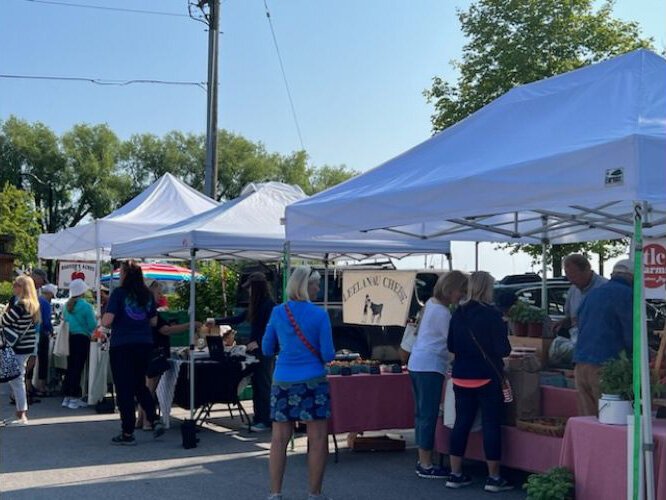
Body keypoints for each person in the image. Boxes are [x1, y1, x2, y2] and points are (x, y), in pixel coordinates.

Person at [262, 266, 335, 500]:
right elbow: (328, 354)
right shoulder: (320, 315)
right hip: (313, 381)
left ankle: (275, 493)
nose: (318, 288)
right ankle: (314, 493)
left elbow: (266, 348)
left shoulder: (277, 313)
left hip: (282, 380)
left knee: (279, 439)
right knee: (317, 439)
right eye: (315, 284)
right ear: (306, 286)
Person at [446, 271, 513, 493]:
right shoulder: (492, 315)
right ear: (488, 288)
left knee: (461, 423)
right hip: (486, 376)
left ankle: (455, 473)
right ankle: (494, 477)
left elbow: (451, 345)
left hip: (462, 375)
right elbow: (504, 349)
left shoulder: (458, 313)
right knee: (491, 424)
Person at [407, 271, 468, 479]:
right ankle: (425, 463)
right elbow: (453, 342)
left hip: (417, 362)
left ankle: (422, 458)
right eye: (461, 291)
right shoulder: (443, 313)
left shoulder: (431, 305)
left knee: (421, 413)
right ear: (452, 289)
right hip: (430, 365)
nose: (462, 295)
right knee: (428, 414)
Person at [100, 260, 164, 445]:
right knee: (139, 384)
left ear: (125, 275)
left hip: (122, 344)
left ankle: (127, 432)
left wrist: (103, 318)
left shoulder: (118, 294)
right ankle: (154, 418)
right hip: (144, 343)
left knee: (124, 389)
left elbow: (107, 320)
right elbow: (153, 322)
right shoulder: (147, 295)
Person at [208, 271, 276, 432]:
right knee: (257, 384)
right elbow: (238, 319)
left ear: (257, 288)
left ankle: (266, 420)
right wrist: (216, 321)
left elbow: (272, 329)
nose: (248, 291)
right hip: (256, 350)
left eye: (250, 288)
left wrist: (258, 343)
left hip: (265, 351)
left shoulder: (269, 305)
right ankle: (259, 417)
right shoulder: (258, 304)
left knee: (263, 384)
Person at [574, 259, 633, 416]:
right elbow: (632, 333)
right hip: (606, 366)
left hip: (581, 364)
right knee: (608, 420)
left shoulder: (594, 293)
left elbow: (578, 321)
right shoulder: (627, 295)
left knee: (588, 421)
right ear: (632, 276)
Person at [135, 315, 201, 431]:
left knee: (146, 388)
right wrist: (190, 325)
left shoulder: (141, 313)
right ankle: (147, 420)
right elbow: (166, 330)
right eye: (157, 295)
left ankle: (140, 419)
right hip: (156, 353)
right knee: (150, 388)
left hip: (147, 351)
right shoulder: (153, 314)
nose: (159, 295)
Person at [1, 275, 40, 425]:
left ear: (23, 287)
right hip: (26, 345)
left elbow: (4, 320)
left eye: (16, 284)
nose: (13, 286)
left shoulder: (21, 305)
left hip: (17, 345)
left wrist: (5, 311)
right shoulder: (33, 305)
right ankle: (20, 412)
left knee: (17, 380)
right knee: (17, 378)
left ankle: (21, 414)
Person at [61, 279, 97, 410]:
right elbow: (93, 325)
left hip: (69, 338)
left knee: (70, 367)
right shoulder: (86, 306)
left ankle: (67, 396)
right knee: (78, 368)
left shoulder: (66, 305)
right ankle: (74, 398)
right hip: (82, 339)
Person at [554, 254, 607, 337]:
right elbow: (571, 318)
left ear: (587, 269)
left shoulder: (605, 288)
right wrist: (564, 323)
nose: (571, 281)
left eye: (574, 276)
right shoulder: (573, 290)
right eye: (569, 277)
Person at [26, 269, 52, 398]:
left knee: (31, 360)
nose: (42, 285)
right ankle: (27, 388)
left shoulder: (35, 296)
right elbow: (45, 321)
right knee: (36, 360)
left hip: (33, 331)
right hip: (33, 332)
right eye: (42, 281)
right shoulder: (39, 300)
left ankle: (27, 386)